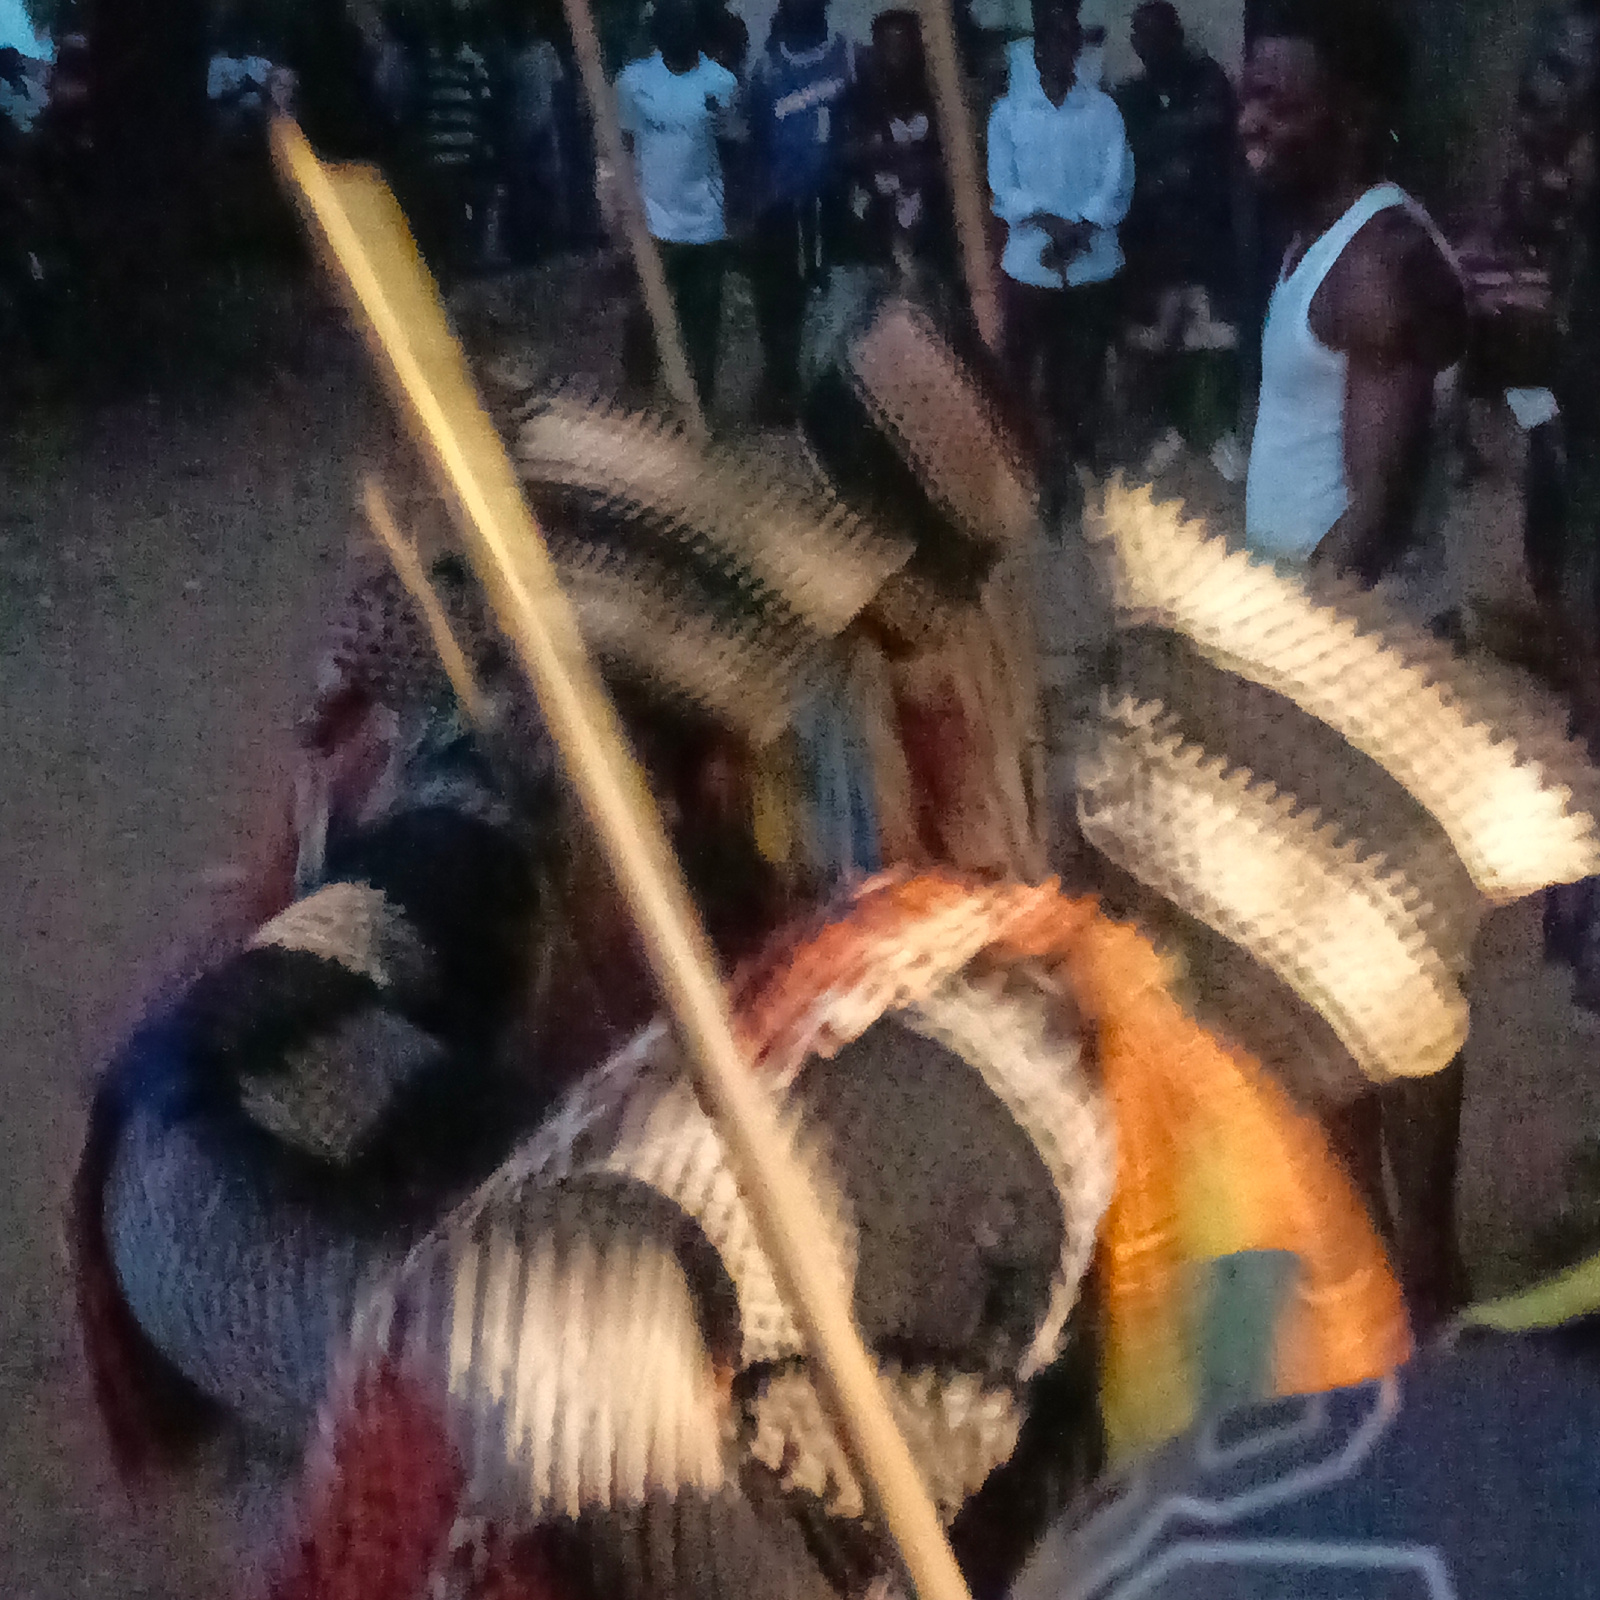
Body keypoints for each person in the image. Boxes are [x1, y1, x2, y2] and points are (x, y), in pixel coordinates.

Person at [1238, 0, 1469, 1330]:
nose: (1253, 119)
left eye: (1282, 99)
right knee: (1336, 990)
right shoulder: (1315, 241)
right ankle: (1386, 1272)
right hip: (1319, 673)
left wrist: (1267, 658)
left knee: (1398, 986)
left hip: (1361, 684)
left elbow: (1374, 519)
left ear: (1354, 112)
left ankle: (1425, 1279)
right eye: (1250, 94)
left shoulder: (1378, 262)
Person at [987, 0, 1134, 514]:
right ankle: (1034, 471)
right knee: (1023, 375)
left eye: (1066, 39)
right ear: (1036, 48)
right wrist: (1053, 225)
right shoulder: (1007, 114)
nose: (1057, 49)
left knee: (1082, 374)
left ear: (1076, 48)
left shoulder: (1104, 111)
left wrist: (1080, 229)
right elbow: (1003, 188)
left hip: (1093, 265)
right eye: (1048, 39)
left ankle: (1078, 472)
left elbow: (1117, 183)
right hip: (1030, 267)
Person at [1115, 0, 1239, 473]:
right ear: (1135, 44)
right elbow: (1129, 150)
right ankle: (1173, 429)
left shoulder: (1207, 76)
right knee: (1161, 342)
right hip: (1157, 243)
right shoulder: (1131, 95)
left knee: (1217, 340)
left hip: (1208, 237)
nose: (1153, 46)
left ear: (1177, 36)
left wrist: (1160, 143)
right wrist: (1173, 151)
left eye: (1161, 34)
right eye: (1143, 37)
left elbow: (1215, 121)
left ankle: (1219, 432)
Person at [615, 0, 738, 411]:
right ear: (657, 31)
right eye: (669, 25)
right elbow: (623, 146)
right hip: (650, 219)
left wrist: (737, 212)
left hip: (706, 222)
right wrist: (619, 205)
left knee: (702, 321)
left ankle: (697, 410)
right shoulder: (633, 81)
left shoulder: (720, 82)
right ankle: (636, 399)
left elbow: (733, 149)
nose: (677, 33)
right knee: (644, 312)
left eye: (685, 25)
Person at [747, 0, 853, 423]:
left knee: (838, 295)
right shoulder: (766, 69)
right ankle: (781, 384)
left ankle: (837, 393)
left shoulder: (849, 56)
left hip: (837, 202)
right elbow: (755, 139)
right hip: (781, 205)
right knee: (779, 299)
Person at [837, 9, 954, 303]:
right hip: (878, 227)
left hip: (931, 229)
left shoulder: (938, 100)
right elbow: (846, 153)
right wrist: (886, 152)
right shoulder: (859, 98)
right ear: (876, 48)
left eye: (904, 46)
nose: (897, 56)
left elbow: (952, 160)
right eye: (889, 46)